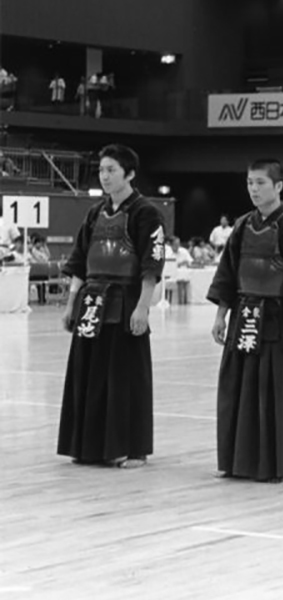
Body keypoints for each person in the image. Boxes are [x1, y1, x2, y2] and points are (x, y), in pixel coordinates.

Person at [207, 158, 283, 483]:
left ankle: (279, 463)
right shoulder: (242, 225)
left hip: (281, 319)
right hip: (245, 316)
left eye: (261, 183)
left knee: (279, 392)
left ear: (279, 186)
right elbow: (227, 273)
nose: (254, 189)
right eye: (250, 183)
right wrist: (220, 314)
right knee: (238, 390)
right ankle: (238, 461)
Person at [57, 144, 166, 469]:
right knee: (87, 373)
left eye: (112, 170)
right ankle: (89, 445)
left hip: (126, 302)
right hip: (92, 303)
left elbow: (152, 264)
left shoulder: (146, 213)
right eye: (102, 170)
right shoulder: (94, 213)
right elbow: (79, 261)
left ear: (129, 174)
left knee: (124, 376)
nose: (105, 176)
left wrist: (142, 308)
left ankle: (132, 449)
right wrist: (71, 304)